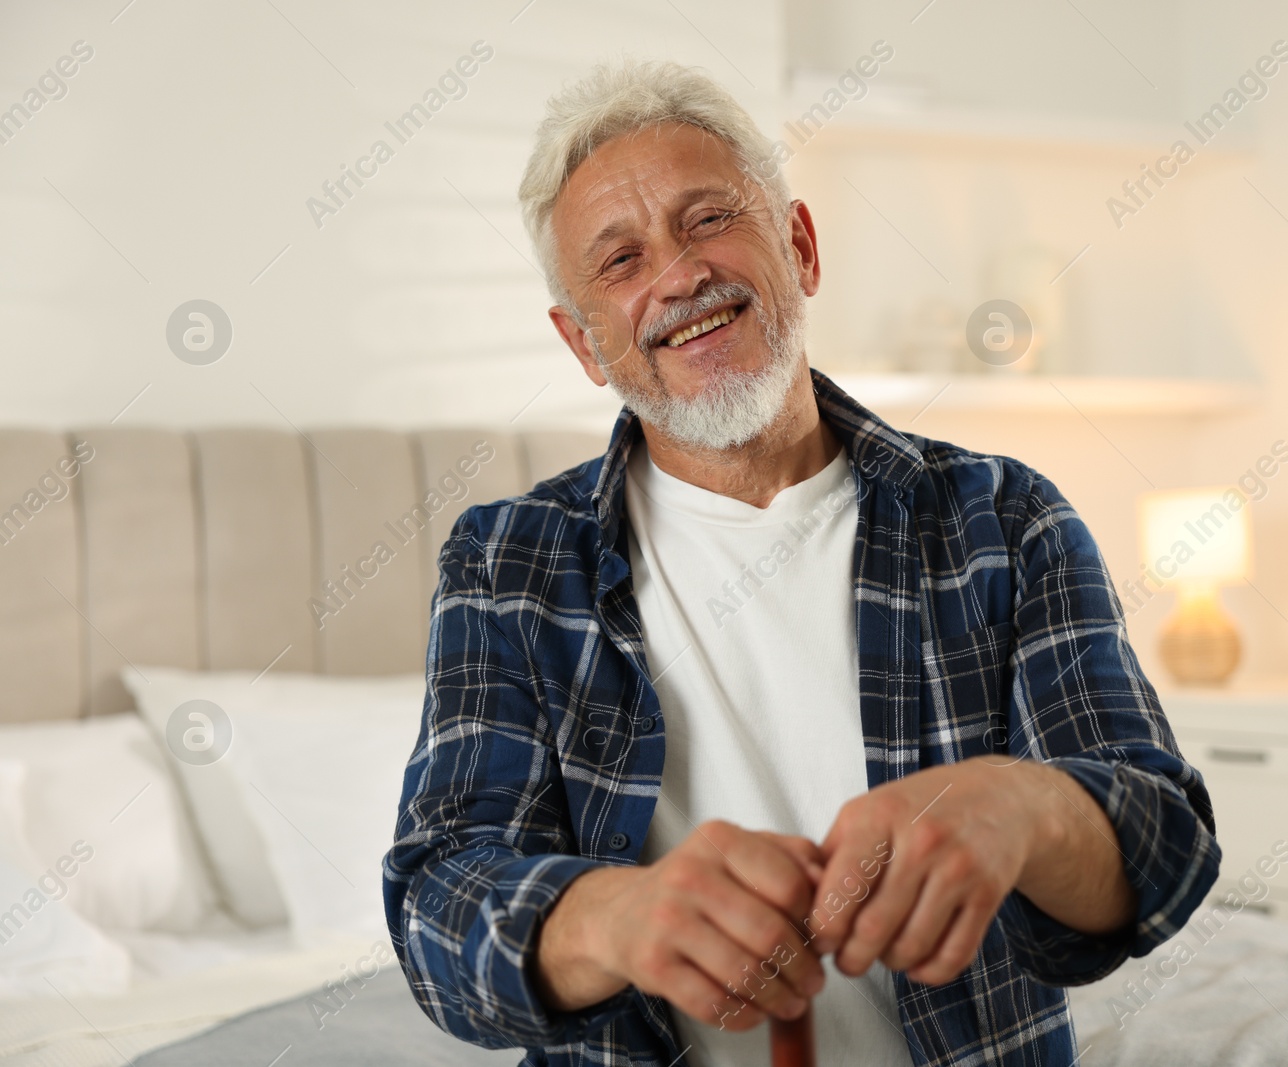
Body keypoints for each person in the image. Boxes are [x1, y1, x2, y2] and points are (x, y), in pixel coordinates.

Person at [383, 58, 1220, 1067]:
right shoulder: (507, 562)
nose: (680, 275)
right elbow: (439, 900)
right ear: (583, 345)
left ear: (800, 245)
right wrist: (619, 914)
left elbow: (1165, 851)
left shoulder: (1005, 518)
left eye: (707, 220)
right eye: (620, 260)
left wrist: (1025, 807)